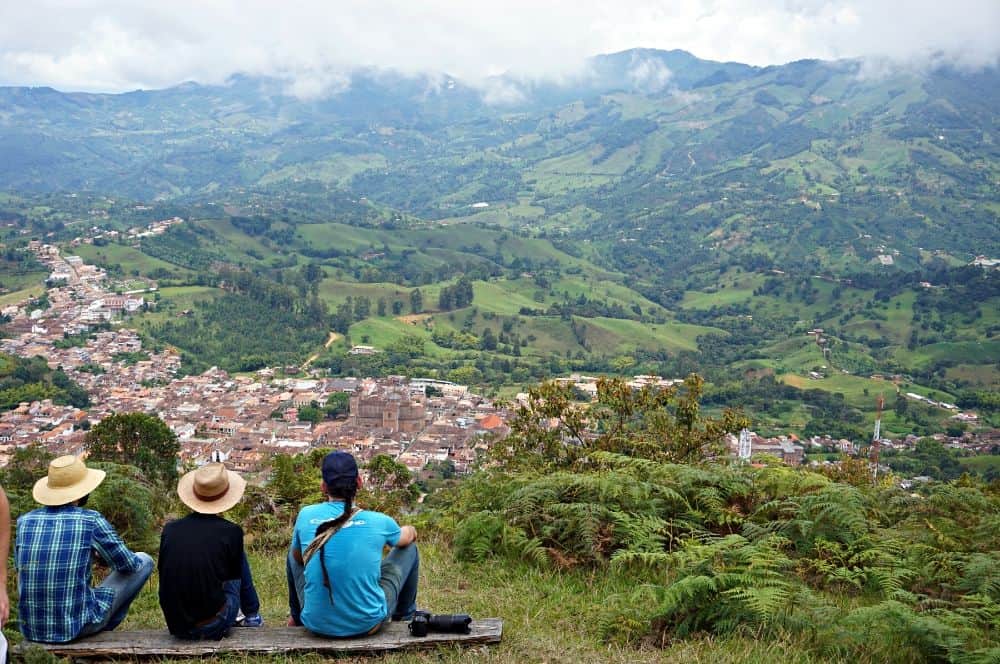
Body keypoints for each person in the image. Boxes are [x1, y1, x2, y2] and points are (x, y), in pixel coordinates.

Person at [15, 455, 154, 643]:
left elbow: (22, 570)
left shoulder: (25, 521)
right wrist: (100, 557)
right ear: (81, 493)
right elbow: (129, 564)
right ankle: (100, 632)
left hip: (31, 629)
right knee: (144, 560)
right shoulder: (90, 520)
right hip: (75, 627)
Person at [287, 451, 419, 637]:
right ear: (359, 482)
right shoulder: (378, 521)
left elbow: (298, 559)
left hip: (316, 624)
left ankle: (296, 616)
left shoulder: (306, 515)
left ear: (323, 486)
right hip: (367, 624)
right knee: (410, 549)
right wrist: (411, 530)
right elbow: (406, 538)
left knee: (293, 553)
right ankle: (405, 616)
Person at [158, 462, 263, 640]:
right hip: (212, 625)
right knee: (237, 558)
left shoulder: (170, 529)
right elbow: (234, 577)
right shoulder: (231, 532)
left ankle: (248, 614)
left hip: (176, 625)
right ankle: (252, 615)